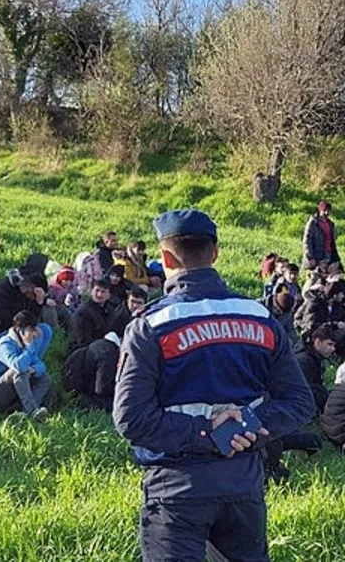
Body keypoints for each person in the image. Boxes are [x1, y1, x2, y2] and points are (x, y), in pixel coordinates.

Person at [112, 209, 315, 561]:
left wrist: (206, 432)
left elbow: (131, 418)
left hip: (176, 487)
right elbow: (299, 402)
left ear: (165, 258)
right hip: (243, 481)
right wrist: (240, 430)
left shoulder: (150, 325)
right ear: (216, 253)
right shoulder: (260, 316)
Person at [0, 311, 54, 419]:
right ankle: (32, 411)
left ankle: (25, 412)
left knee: (45, 378)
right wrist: (29, 346)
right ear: (19, 331)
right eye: (31, 331)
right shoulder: (5, 345)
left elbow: (41, 366)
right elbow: (19, 367)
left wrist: (33, 369)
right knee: (19, 371)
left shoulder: (23, 345)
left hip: (8, 387)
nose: (35, 335)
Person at [0, 260, 56, 342]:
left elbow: (30, 317)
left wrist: (38, 303)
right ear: (30, 287)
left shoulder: (24, 294)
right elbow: (3, 319)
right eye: (34, 294)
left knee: (45, 330)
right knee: (31, 336)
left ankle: (32, 354)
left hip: (16, 329)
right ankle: (28, 353)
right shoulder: (0, 292)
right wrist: (26, 330)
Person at [62, 331, 120, 412]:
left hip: (74, 376)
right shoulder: (108, 355)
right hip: (77, 384)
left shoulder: (102, 345)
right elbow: (101, 389)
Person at [296, 324, 335, 414]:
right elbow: (305, 390)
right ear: (318, 342)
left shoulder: (311, 357)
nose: (332, 349)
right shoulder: (305, 360)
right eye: (329, 344)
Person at [302, 200, 341, 270]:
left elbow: (332, 242)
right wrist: (310, 257)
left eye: (328, 211)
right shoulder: (313, 223)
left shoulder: (331, 224)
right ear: (319, 210)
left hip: (328, 254)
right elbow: (307, 240)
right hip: (316, 255)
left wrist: (336, 257)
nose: (326, 213)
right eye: (324, 210)